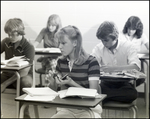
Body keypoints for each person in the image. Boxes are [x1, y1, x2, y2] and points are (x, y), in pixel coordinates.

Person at [48, 25, 102, 118]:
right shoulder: (61, 62)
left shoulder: (91, 62)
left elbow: (93, 93)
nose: (60, 46)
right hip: (67, 108)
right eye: (59, 43)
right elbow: (56, 92)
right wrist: (52, 83)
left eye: (63, 43)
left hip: (88, 108)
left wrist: (71, 83)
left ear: (75, 43)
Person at [91, 21, 141, 103]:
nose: (103, 43)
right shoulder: (98, 48)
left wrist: (114, 68)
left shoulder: (128, 46)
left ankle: (103, 97)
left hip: (123, 83)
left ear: (115, 37)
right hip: (106, 83)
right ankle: (106, 96)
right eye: (102, 40)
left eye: (106, 40)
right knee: (93, 89)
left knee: (132, 94)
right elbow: (91, 63)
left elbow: (136, 67)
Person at [1, 18, 35, 118]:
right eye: (8, 34)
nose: (10, 37)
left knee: (26, 82)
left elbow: (24, 72)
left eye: (12, 34)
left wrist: (5, 84)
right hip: (8, 74)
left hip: (23, 76)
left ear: (20, 32)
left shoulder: (29, 46)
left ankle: (24, 115)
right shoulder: (6, 42)